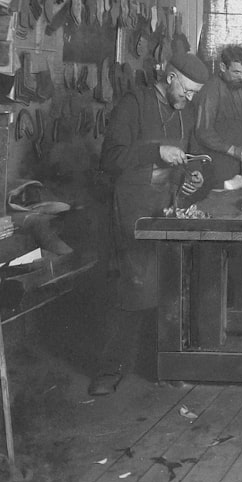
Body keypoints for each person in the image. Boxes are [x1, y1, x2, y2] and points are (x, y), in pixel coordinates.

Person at [89, 51, 210, 396]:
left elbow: (183, 162)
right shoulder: (134, 103)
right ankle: (110, 371)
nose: (188, 99)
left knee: (172, 285)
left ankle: (167, 366)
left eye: (194, 95)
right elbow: (110, 159)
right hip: (133, 209)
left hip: (166, 208)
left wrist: (191, 178)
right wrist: (156, 152)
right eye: (186, 91)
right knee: (136, 286)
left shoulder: (182, 113)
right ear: (170, 77)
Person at [194, 45, 242, 186]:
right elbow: (203, 132)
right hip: (215, 166)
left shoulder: (236, 87)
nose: (241, 77)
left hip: (235, 165)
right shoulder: (211, 90)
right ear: (223, 67)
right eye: (236, 72)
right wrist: (234, 150)